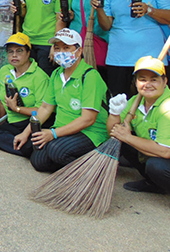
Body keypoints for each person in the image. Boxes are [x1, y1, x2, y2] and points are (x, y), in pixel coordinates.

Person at [13, 29, 109, 172]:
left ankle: (96, 165)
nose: (61, 52)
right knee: (37, 160)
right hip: (63, 129)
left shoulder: (90, 76)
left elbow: (88, 119)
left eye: (66, 48)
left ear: (78, 51)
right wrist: (25, 133)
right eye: (57, 48)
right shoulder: (56, 75)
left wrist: (53, 134)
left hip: (91, 132)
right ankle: (72, 163)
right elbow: (45, 108)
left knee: (56, 150)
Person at [107, 56, 170, 227]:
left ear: (165, 81)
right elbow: (113, 132)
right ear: (136, 82)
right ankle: (154, 183)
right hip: (156, 152)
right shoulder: (135, 102)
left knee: (157, 165)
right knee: (120, 142)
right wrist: (114, 113)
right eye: (142, 79)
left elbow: (166, 151)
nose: (148, 84)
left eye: (154, 79)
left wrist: (128, 137)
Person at [0, 33, 51, 157]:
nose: (14, 55)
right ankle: (25, 147)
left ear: (28, 52)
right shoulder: (4, 70)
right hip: (14, 122)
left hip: (33, 121)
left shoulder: (40, 77)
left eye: (19, 51)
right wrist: (1, 121)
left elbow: (41, 110)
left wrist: (17, 109)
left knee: (29, 139)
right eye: (10, 52)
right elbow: (2, 101)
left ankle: (26, 146)